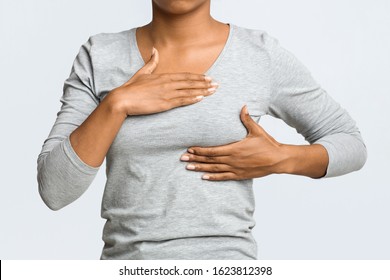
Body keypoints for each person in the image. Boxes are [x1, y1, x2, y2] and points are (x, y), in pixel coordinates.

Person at [36, 0, 367, 260]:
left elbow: (350, 143)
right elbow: (55, 189)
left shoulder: (258, 55)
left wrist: (282, 159)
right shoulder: (100, 56)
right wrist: (117, 103)